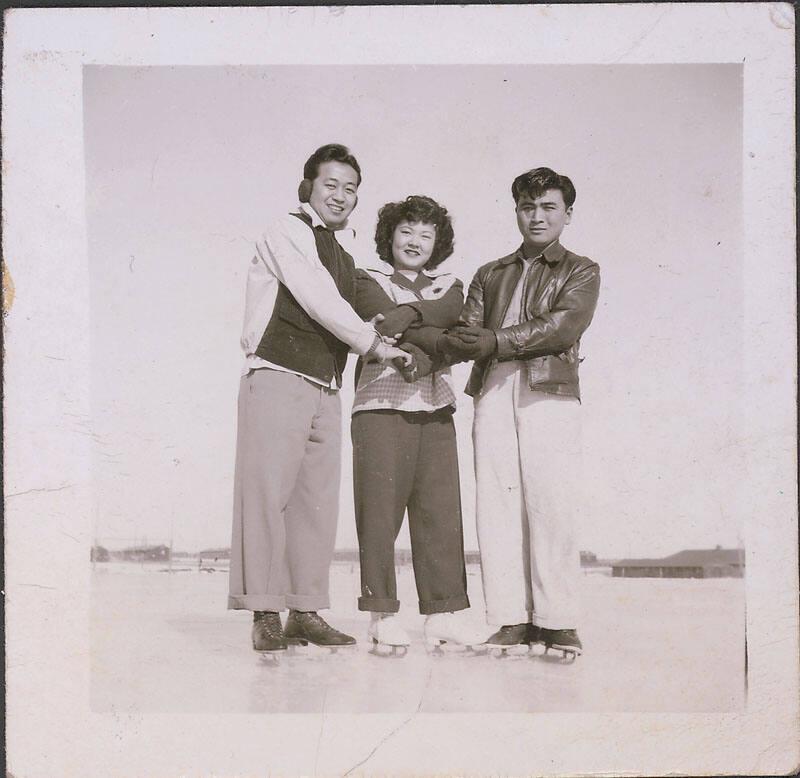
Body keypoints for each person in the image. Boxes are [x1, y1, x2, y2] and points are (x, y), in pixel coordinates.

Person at [227, 143, 412, 653]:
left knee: (315, 503)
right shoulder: (286, 229)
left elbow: (358, 302)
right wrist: (373, 342)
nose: (341, 196)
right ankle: (264, 611)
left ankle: (304, 610)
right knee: (267, 495)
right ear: (307, 186)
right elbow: (315, 293)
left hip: (326, 386)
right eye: (331, 184)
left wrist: (403, 325)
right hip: (277, 373)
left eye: (351, 189)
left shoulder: (344, 252)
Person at [434, 167, 601, 657]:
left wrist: (494, 340)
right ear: (516, 213)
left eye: (549, 207)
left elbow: (563, 326)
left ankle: (557, 620)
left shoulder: (582, 269)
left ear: (567, 214)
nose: (537, 217)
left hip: (548, 391)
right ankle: (508, 618)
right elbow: (468, 328)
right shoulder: (490, 272)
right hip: (493, 390)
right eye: (528, 208)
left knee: (551, 502)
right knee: (497, 504)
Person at [349, 195, 486, 652]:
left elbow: (450, 325)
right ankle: (382, 614)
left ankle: (443, 614)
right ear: (389, 236)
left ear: (438, 243)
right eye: (406, 231)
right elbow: (380, 319)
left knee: (440, 514)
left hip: (435, 407)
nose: (415, 241)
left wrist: (406, 323)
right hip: (378, 407)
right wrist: (428, 338)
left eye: (426, 235)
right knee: (379, 514)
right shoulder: (365, 278)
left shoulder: (450, 283)